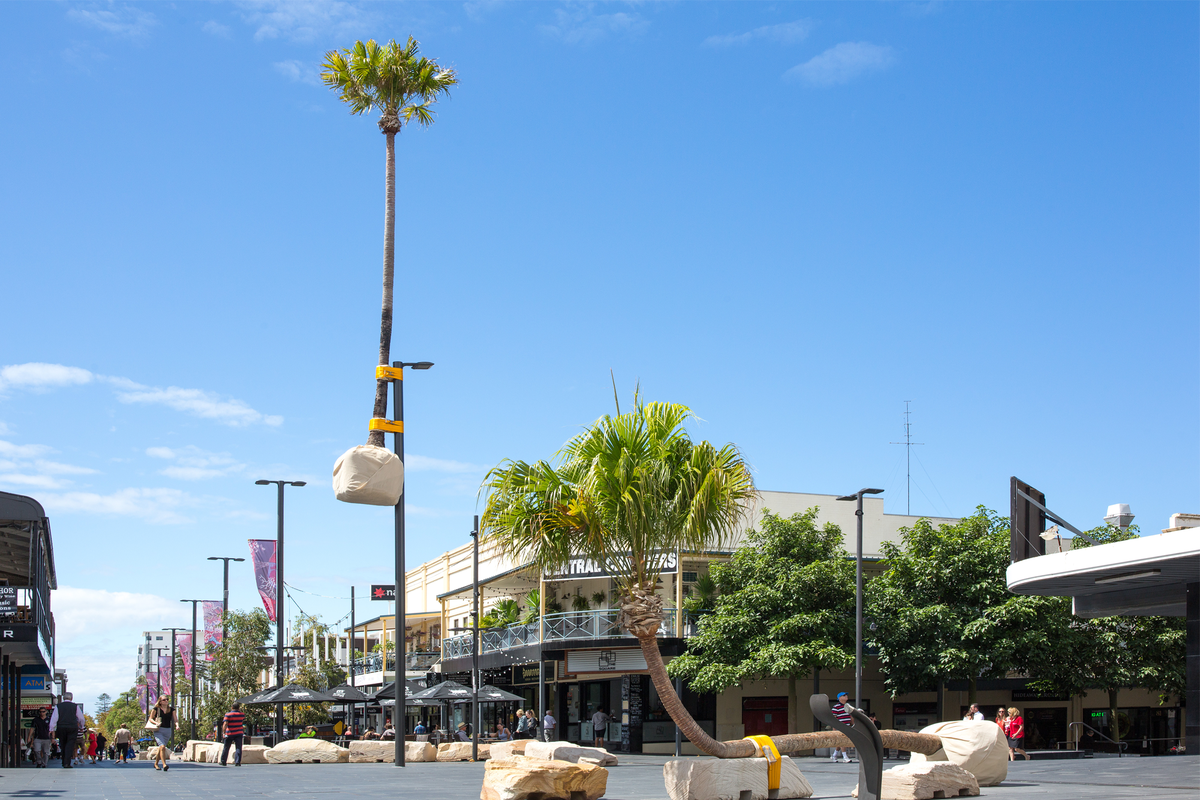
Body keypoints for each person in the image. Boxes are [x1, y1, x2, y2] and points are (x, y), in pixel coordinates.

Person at [49, 692, 85, 768]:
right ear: (71, 698)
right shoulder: (75, 706)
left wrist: (51, 728)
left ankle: (63, 761)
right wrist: (81, 727)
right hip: (72, 727)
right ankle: (67, 762)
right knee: (70, 744)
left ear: (63, 698)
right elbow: (81, 718)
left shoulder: (58, 706)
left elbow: (54, 718)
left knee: (63, 744)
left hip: (61, 727)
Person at [147, 694, 176, 771]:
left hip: (167, 730)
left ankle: (156, 763)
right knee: (162, 747)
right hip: (158, 730)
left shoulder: (171, 710)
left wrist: (177, 725)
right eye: (164, 700)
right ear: (160, 702)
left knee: (161, 748)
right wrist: (156, 723)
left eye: (167, 699)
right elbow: (150, 718)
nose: (166, 701)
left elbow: (175, 719)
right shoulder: (156, 709)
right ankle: (164, 764)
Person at [829, 692, 853, 763]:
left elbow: (851, 716)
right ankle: (845, 756)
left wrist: (852, 724)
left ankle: (834, 755)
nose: (846, 696)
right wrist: (834, 728)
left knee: (841, 741)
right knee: (843, 741)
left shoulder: (848, 706)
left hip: (847, 726)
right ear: (839, 698)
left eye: (846, 695)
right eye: (844, 695)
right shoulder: (836, 707)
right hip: (840, 727)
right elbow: (833, 719)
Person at [220, 702, 245, 767]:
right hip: (239, 733)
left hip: (229, 733)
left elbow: (225, 724)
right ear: (239, 708)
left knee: (226, 747)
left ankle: (223, 761)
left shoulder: (228, 714)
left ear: (232, 707)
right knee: (238, 747)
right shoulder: (242, 714)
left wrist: (223, 732)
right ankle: (237, 762)